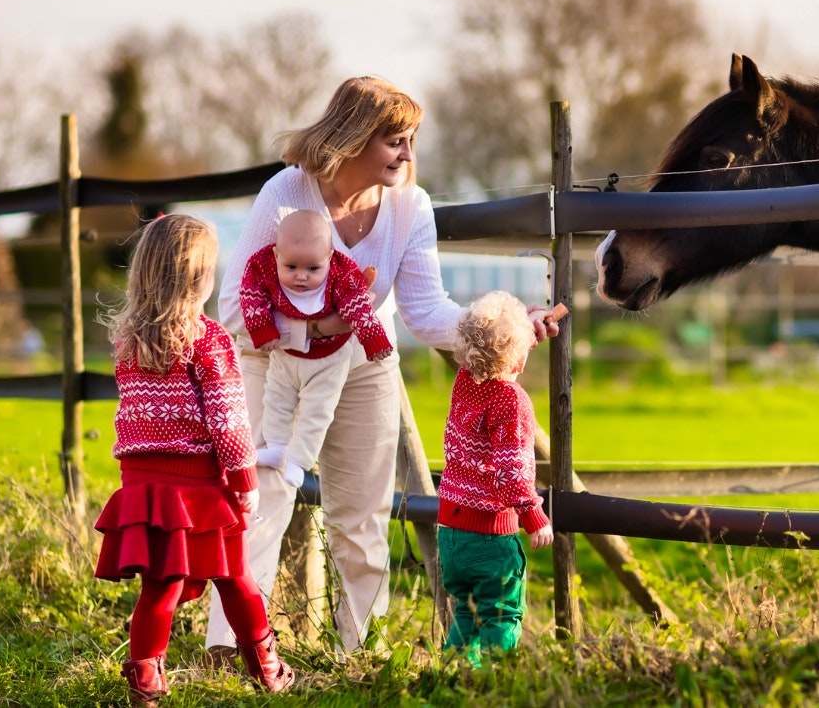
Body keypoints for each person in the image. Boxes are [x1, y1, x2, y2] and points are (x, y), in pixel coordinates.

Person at [208, 76, 560, 656]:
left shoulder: (409, 206)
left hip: (362, 362)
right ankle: (234, 648)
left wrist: (513, 324)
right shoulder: (287, 195)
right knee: (262, 499)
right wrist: (318, 328)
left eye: (412, 139)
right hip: (270, 359)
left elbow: (425, 312)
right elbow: (230, 310)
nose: (408, 153)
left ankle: (359, 650)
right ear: (352, 138)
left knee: (363, 514)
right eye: (395, 139)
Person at [94, 214, 294, 706]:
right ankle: (267, 670)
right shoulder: (208, 339)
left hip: (145, 487)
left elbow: (134, 418)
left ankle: (146, 684)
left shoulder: (130, 342)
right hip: (198, 488)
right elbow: (228, 418)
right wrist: (245, 479)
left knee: (160, 589)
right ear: (196, 279)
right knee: (235, 578)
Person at [437, 291, 555, 663]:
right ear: (518, 357)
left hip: (451, 534)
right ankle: (497, 688)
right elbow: (510, 472)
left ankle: (452, 679)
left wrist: (524, 335)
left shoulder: (464, 380)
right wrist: (533, 516)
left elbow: (495, 354)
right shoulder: (512, 401)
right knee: (500, 615)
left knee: (466, 614)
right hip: (489, 533)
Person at [239, 208, 392, 489]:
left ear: (329, 259)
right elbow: (251, 295)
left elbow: (357, 308)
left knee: (317, 411)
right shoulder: (262, 268)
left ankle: (299, 460)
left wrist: (374, 340)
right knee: (275, 398)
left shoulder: (341, 276)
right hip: (287, 354)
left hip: (329, 359)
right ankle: (276, 446)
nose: (301, 277)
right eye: (291, 267)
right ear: (276, 256)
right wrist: (263, 329)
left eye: (312, 269)